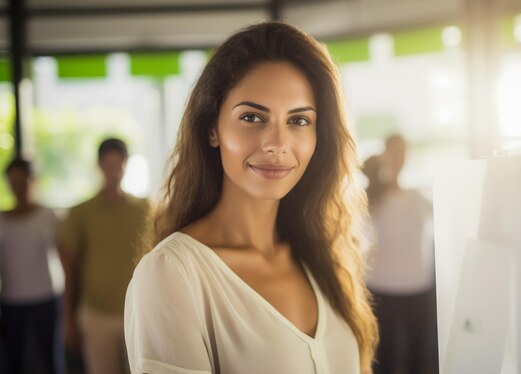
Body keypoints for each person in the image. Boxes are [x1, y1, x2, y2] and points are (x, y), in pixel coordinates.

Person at [124, 21, 378, 374]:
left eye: (299, 121)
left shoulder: (323, 257)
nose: (277, 143)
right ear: (212, 128)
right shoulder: (173, 274)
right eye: (252, 117)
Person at [59, 138, 150, 374]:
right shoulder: (81, 212)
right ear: (99, 166)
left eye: (118, 164)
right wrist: (68, 318)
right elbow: (69, 268)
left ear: (126, 165)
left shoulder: (145, 209)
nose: (114, 171)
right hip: (95, 315)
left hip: (138, 313)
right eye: (108, 164)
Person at [364, 135, 438, 374]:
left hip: (417, 286)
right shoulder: (370, 198)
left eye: (403, 152)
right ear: (384, 154)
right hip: (380, 288)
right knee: (382, 357)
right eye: (394, 152)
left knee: (419, 357)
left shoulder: (418, 198)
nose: (399, 158)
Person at [0, 158, 66, 374]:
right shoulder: (2, 219)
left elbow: (65, 255)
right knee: (14, 360)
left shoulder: (48, 216)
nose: (18, 186)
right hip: (11, 299)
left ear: (32, 181)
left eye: (22, 180)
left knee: (51, 359)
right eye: (13, 181)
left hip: (45, 296)